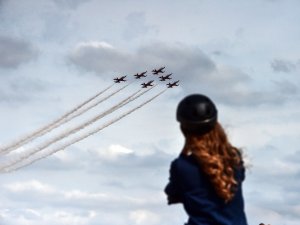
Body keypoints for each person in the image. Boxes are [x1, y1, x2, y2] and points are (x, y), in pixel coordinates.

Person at [165, 94, 248, 225]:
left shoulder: (181, 166)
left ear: (184, 129)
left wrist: (184, 151)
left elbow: (172, 193)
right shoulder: (234, 157)